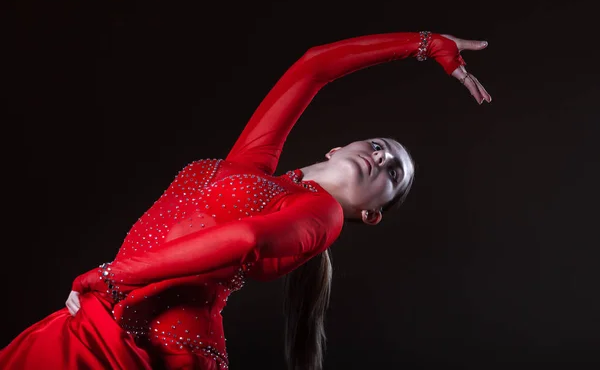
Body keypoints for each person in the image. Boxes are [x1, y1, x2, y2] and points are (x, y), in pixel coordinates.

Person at [0, 30, 491, 370]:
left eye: (393, 173)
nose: (381, 159)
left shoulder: (321, 217)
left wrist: (105, 276)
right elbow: (313, 66)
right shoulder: (253, 165)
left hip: (158, 348)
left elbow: (245, 238)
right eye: (380, 147)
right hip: (102, 320)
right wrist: (425, 45)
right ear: (338, 148)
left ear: (372, 212)